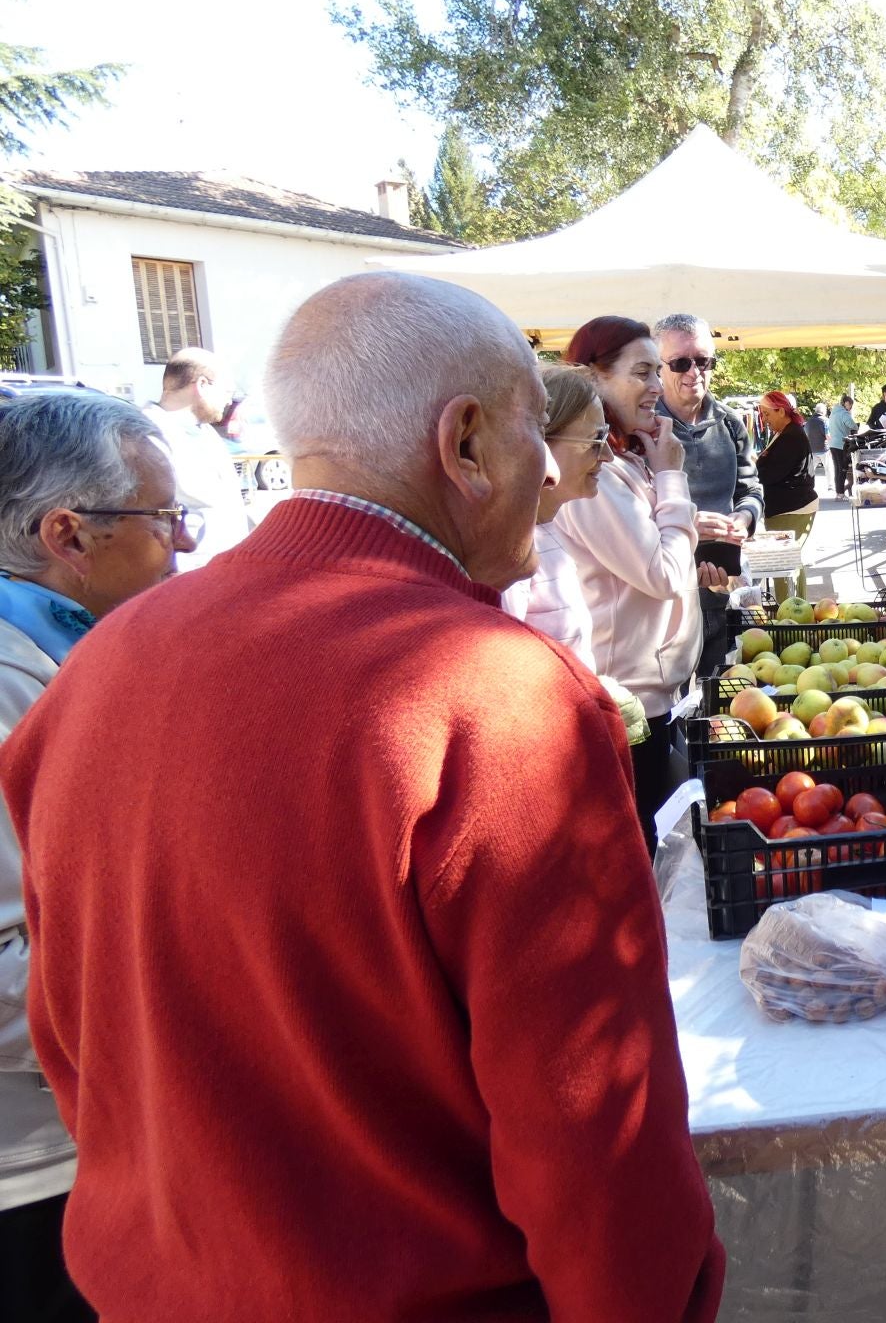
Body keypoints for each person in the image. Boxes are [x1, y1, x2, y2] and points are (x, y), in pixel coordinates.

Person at [0, 273, 725, 1321]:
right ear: (465, 443)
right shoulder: (498, 694)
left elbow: (74, 1039)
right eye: (537, 430)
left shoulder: (101, 669)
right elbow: (591, 1136)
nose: (559, 469)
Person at [1, 391, 196, 1323]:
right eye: (162, 519)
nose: (185, 544)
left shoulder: (79, 655)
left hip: (93, 1133)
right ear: (67, 534)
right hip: (35, 1171)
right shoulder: (12, 688)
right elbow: (10, 971)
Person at [551, 317, 707, 856]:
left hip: (652, 691)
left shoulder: (623, 459)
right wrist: (672, 477)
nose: (655, 386)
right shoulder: (594, 476)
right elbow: (663, 573)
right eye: (642, 372)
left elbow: (651, 549)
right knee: (647, 854)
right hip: (628, 701)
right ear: (591, 378)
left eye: (655, 370)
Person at [655, 312, 762, 677]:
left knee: (725, 688)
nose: (693, 372)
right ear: (659, 367)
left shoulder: (732, 423)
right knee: (672, 699)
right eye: (681, 362)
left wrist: (744, 518)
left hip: (724, 583)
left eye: (702, 361)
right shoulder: (641, 429)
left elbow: (751, 488)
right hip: (662, 595)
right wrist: (688, 526)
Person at [500, 363, 610, 672]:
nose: (608, 455)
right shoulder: (510, 552)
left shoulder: (543, 532)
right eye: (596, 440)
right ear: (542, 443)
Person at [142, 346, 248, 567]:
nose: (229, 402)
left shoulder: (205, 431)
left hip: (224, 572)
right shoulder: (146, 434)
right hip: (185, 576)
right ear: (202, 385)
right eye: (227, 392)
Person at [754, 390, 818, 602]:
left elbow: (769, 474)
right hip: (790, 507)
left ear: (781, 411)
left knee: (782, 562)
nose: (764, 420)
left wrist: (755, 465)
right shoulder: (787, 433)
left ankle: (789, 612)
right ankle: (795, 609)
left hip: (791, 508)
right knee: (790, 561)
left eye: (767, 414)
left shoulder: (791, 436)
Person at [826, 393, 858, 498]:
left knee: (837, 469)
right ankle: (840, 493)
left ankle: (838, 492)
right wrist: (855, 427)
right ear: (846, 403)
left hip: (833, 444)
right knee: (843, 469)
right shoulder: (844, 413)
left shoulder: (833, 413)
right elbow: (852, 425)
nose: (851, 408)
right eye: (850, 405)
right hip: (841, 444)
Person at [803, 402, 828, 478]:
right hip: (824, 449)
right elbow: (828, 435)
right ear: (823, 411)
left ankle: (807, 483)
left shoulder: (809, 422)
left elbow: (805, 434)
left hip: (812, 449)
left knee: (811, 470)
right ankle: (830, 486)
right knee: (828, 468)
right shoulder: (825, 421)